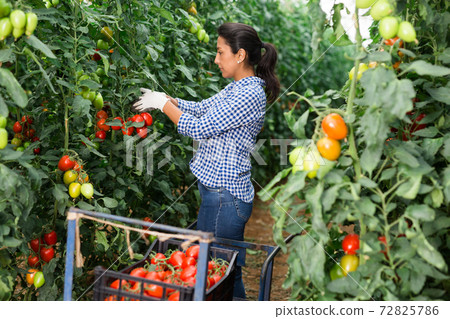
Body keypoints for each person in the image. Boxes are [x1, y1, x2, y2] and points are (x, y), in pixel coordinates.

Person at [133, 22, 279, 299]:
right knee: (219, 275)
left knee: (219, 276)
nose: (216, 59)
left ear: (240, 55)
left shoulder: (249, 94)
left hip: (225, 198)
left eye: (220, 52)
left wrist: (164, 107)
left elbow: (198, 128)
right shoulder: (237, 88)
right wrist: (168, 99)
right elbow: (201, 109)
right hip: (217, 195)